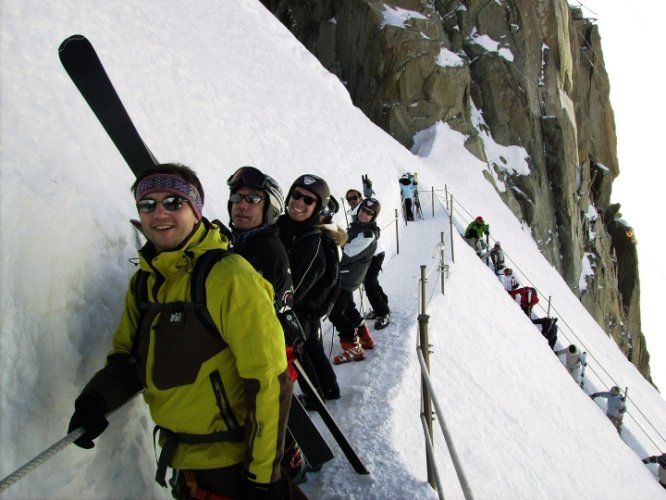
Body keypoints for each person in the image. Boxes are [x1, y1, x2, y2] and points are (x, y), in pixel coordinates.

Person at [67, 164, 293, 499]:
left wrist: (263, 478)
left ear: (196, 210)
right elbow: (127, 360)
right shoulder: (145, 282)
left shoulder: (229, 277)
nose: (159, 213)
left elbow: (268, 381)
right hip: (180, 458)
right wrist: (96, 399)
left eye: (173, 202)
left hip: (231, 467)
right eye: (147, 204)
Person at [226, 165, 306, 483]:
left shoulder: (259, 252)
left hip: (266, 357)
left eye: (252, 199)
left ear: (269, 209)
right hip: (278, 349)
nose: (241, 205)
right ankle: (289, 459)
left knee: (261, 420)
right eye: (237, 197)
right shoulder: (252, 244)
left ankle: (283, 469)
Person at [278, 174, 343, 402]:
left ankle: (315, 396)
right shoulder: (285, 226)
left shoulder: (311, 240)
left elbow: (293, 289)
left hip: (300, 309)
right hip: (306, 308)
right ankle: (330, 389)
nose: (299, 203)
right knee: (312, 348)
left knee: (303, 353)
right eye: (296, 195)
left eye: (308, 200)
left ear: (317, 208)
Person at [331, 197, 381, 364]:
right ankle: (365, 337)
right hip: (347, 276)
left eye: (369, 213)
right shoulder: (358, 228)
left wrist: (328, 245)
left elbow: (346, 255)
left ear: (373, 217)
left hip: (347, 278)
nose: (364, 214)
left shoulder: (366, 234)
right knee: (349, 308)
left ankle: (353, 347)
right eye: (362, 210)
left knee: (336, 313)